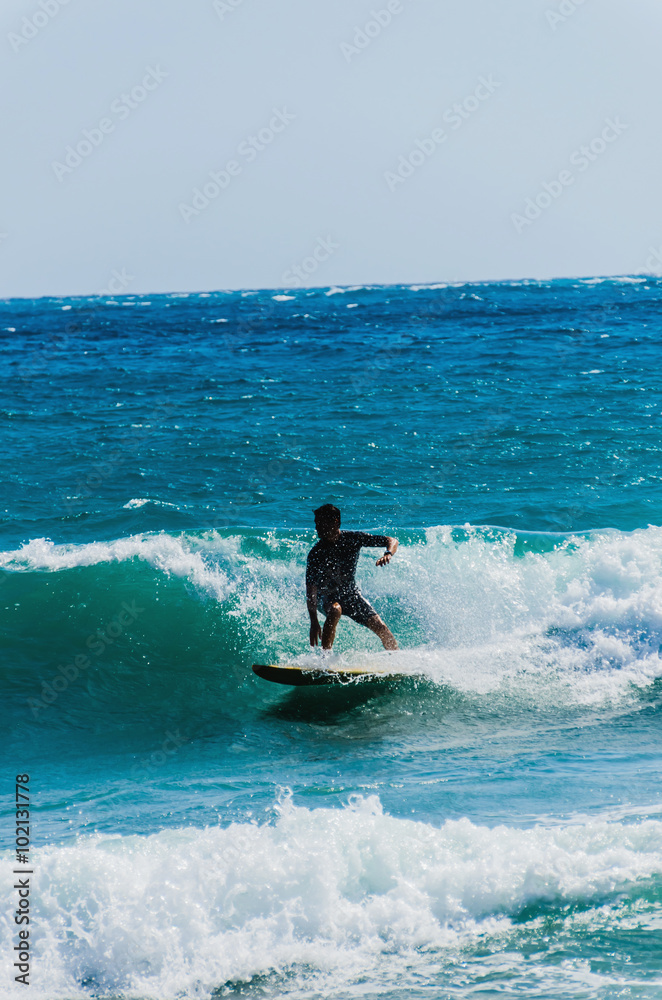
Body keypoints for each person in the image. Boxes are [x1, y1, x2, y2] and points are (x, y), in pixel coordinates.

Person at [306, 504, 399, 650]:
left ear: (335, 522)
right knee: (335, 609)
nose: (316, 528)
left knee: (382, 628)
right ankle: (325, 661)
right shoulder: (316, 553)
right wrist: (314, 622)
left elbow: (392, 541)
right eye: (316, 523)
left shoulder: (353, 539)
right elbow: (311, 591)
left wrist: (388, 553)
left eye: (320, 523)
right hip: (326, 597)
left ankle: (397, 660)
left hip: (351, 596)